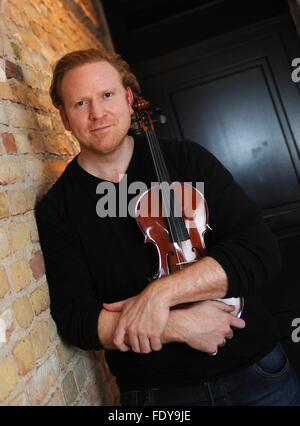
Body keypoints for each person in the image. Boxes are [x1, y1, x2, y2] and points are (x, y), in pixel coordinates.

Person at [35, 48, 300, 406]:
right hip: (156, 396)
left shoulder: (187, 159)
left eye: (107, 95)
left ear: (129, 99)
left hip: (258, 375)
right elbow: (76, 319)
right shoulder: (58, 208)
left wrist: (158, 295)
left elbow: (259, 253)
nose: (97, 113)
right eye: (81, 103)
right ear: (65, 118)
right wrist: (178, 327)